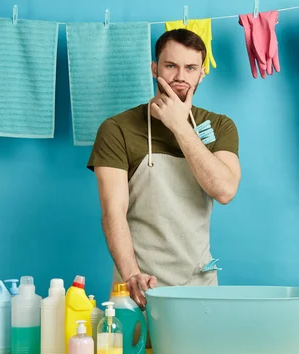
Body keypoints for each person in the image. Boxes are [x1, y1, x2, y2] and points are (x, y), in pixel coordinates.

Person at [87, 29, 241, 310]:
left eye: (190, 68)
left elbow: (224, 190)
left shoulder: (220, 126)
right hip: (138, 288)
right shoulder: (117, 129)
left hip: (200, 290)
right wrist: (132, 276)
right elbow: (113, 212)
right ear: (154, 68)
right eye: (171, 66)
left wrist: (179, 126)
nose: (180, 76)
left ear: (201, 73)